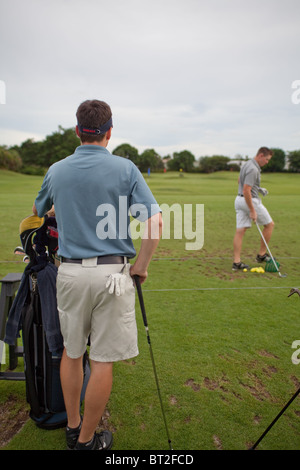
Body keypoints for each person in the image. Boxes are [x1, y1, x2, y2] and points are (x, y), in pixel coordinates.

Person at [32, 99, 162, 450]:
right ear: (109, 132)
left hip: (70, 274)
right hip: (114, 275)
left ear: (77, 130)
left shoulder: (57, 169)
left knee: (73, 353)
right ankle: (87, 441)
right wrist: (141, 267)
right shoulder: (126, 169)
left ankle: (73, 427)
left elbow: (38, 212)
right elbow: (155, 223)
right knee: (102, 359)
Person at [232, 147, 274, 270]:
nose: (267, 162)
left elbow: (240, 181)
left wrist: (258, 188)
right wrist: (252, 210)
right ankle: (261, 255)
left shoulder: (246, 164)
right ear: (260, 155)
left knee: (240, 231)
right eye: (266, 159)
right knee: (269, 225)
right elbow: (246, 190)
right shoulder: (253, 169)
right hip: (249, 201)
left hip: (238, 201)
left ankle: (237, 263)